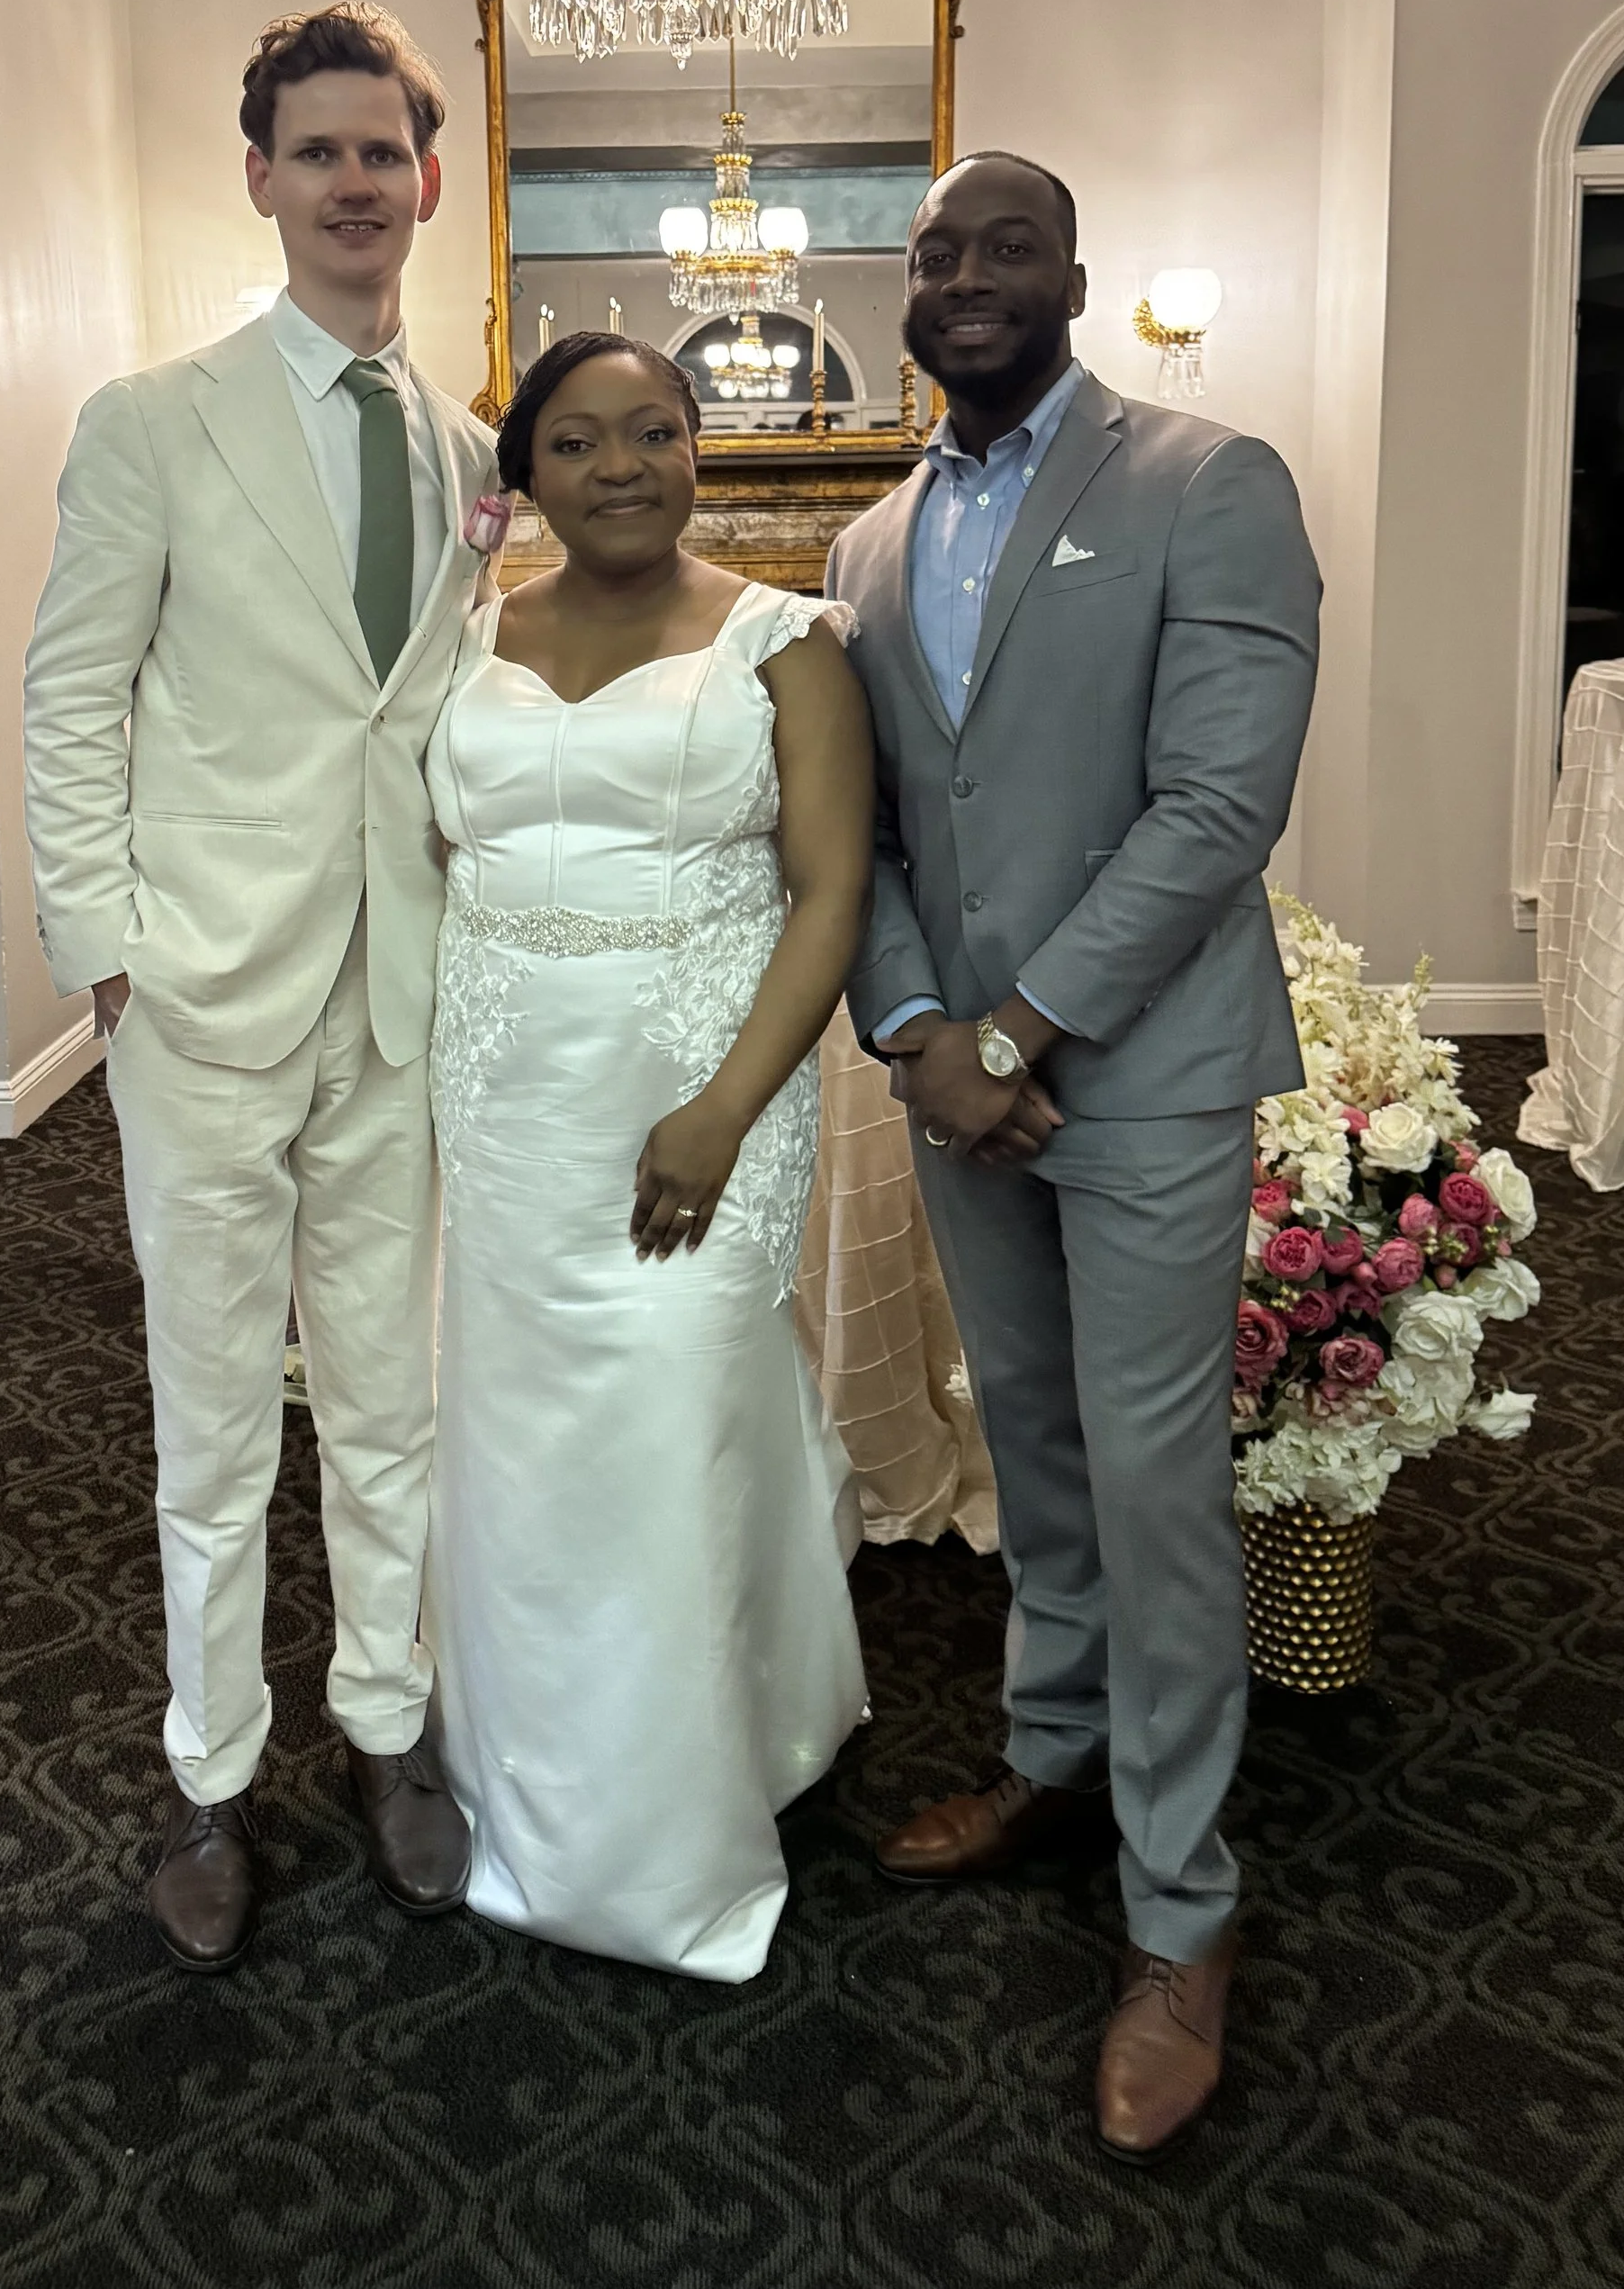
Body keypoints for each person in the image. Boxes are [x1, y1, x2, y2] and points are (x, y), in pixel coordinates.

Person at [826, 153, 1321, 2158]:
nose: (962, 276)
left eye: (1001, 245)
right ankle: (1049, 1759)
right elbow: (854, 824)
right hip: (960, 1078)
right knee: (1022, 1435)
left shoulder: (1206, 479)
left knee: (1152, 1482)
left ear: (1072, 280)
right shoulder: (863, 543)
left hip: (1141, 1073)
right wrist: (924, 1032)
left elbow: (1218, 801)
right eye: (935, 249)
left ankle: (1181, 1912)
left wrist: (1025, 1027)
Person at [23, 1, 501, 1971]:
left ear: (427, 179)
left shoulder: (472, 443)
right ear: (259, 180)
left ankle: (387, 1733)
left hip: (401, 992)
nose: (351, 185)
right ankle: (211, 1776)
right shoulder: (153, 417)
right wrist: (103, 951)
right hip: (205, 996)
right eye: (314, 152)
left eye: (380, 151)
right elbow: (71, 694)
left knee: (393, 1400)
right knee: (212, 1422)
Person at [422, 332, 872, 1980]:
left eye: (656, 433)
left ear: (700, 451)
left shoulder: (786, 643)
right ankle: (519, 1761)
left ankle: (681, 1809)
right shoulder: (464, 641)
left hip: (705, 1096)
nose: (621, 466)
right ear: (523, 479)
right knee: (521, 1435)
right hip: (500, 1100)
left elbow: (830, 891)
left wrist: (726, 1104)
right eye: (581, 441)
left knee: (679, 1412)